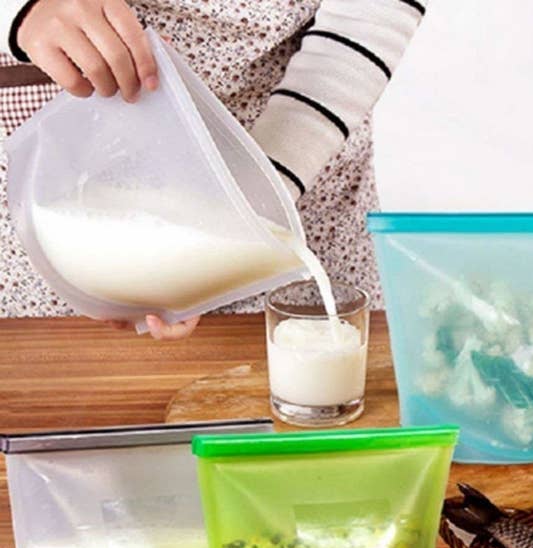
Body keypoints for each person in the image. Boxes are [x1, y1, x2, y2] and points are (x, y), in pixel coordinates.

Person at [0, 0, 426, 339]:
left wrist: (253, 202)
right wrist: (21, 10)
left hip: (294, 174)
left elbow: (373, 10)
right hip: (57, 200)